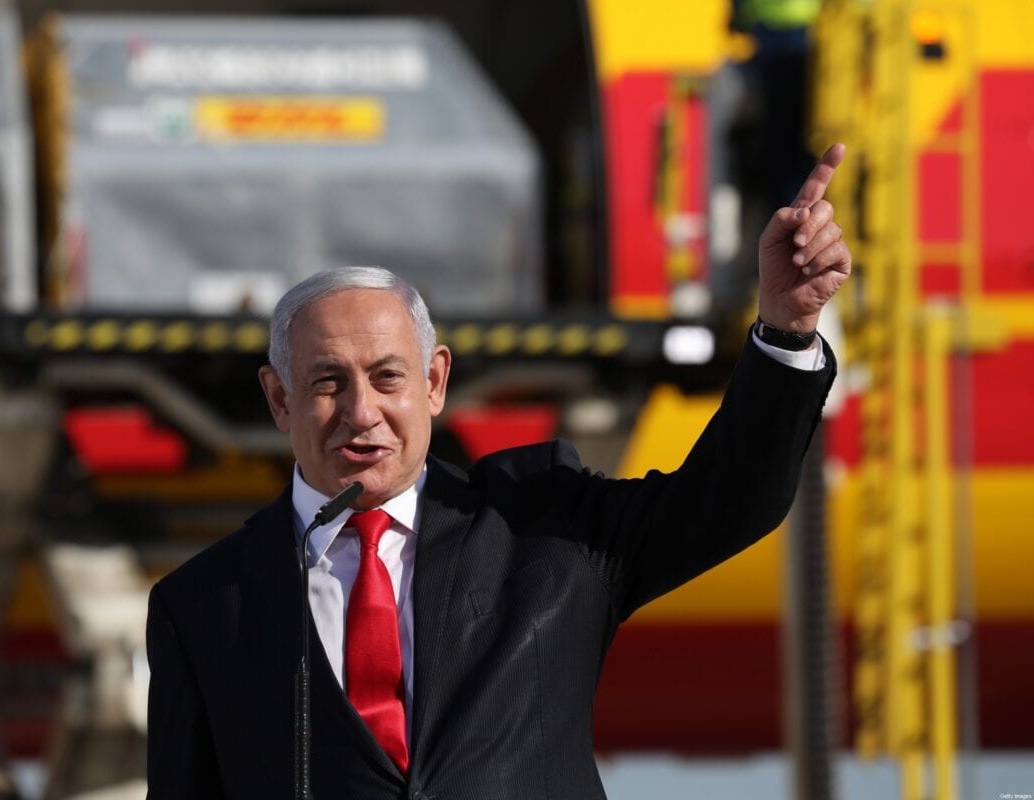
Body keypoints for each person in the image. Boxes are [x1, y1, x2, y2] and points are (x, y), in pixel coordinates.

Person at [146, 144, 853, 799]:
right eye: (329, 383)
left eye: (388, 378)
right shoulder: (206, 604)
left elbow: (730, 500)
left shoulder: (546, 527)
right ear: (279, 398)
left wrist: (786, 331)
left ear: (435, 382)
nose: (362, 413)